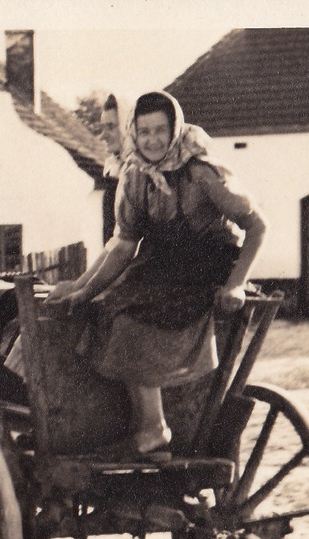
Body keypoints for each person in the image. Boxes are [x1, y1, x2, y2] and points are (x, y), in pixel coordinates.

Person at [46, 90, 266, 462]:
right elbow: (123, 246)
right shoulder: (135, 175)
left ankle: (154, 428)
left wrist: (236, 284)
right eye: (144, 132)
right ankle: (135, 423)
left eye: (160, 131)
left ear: (175, 129)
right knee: (106, 308)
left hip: (205, 270)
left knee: (132, 319)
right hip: (162, 269)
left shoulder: (201, 173)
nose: (152, 140)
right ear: (134, 132)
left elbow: (258, 225)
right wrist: (83, 291)